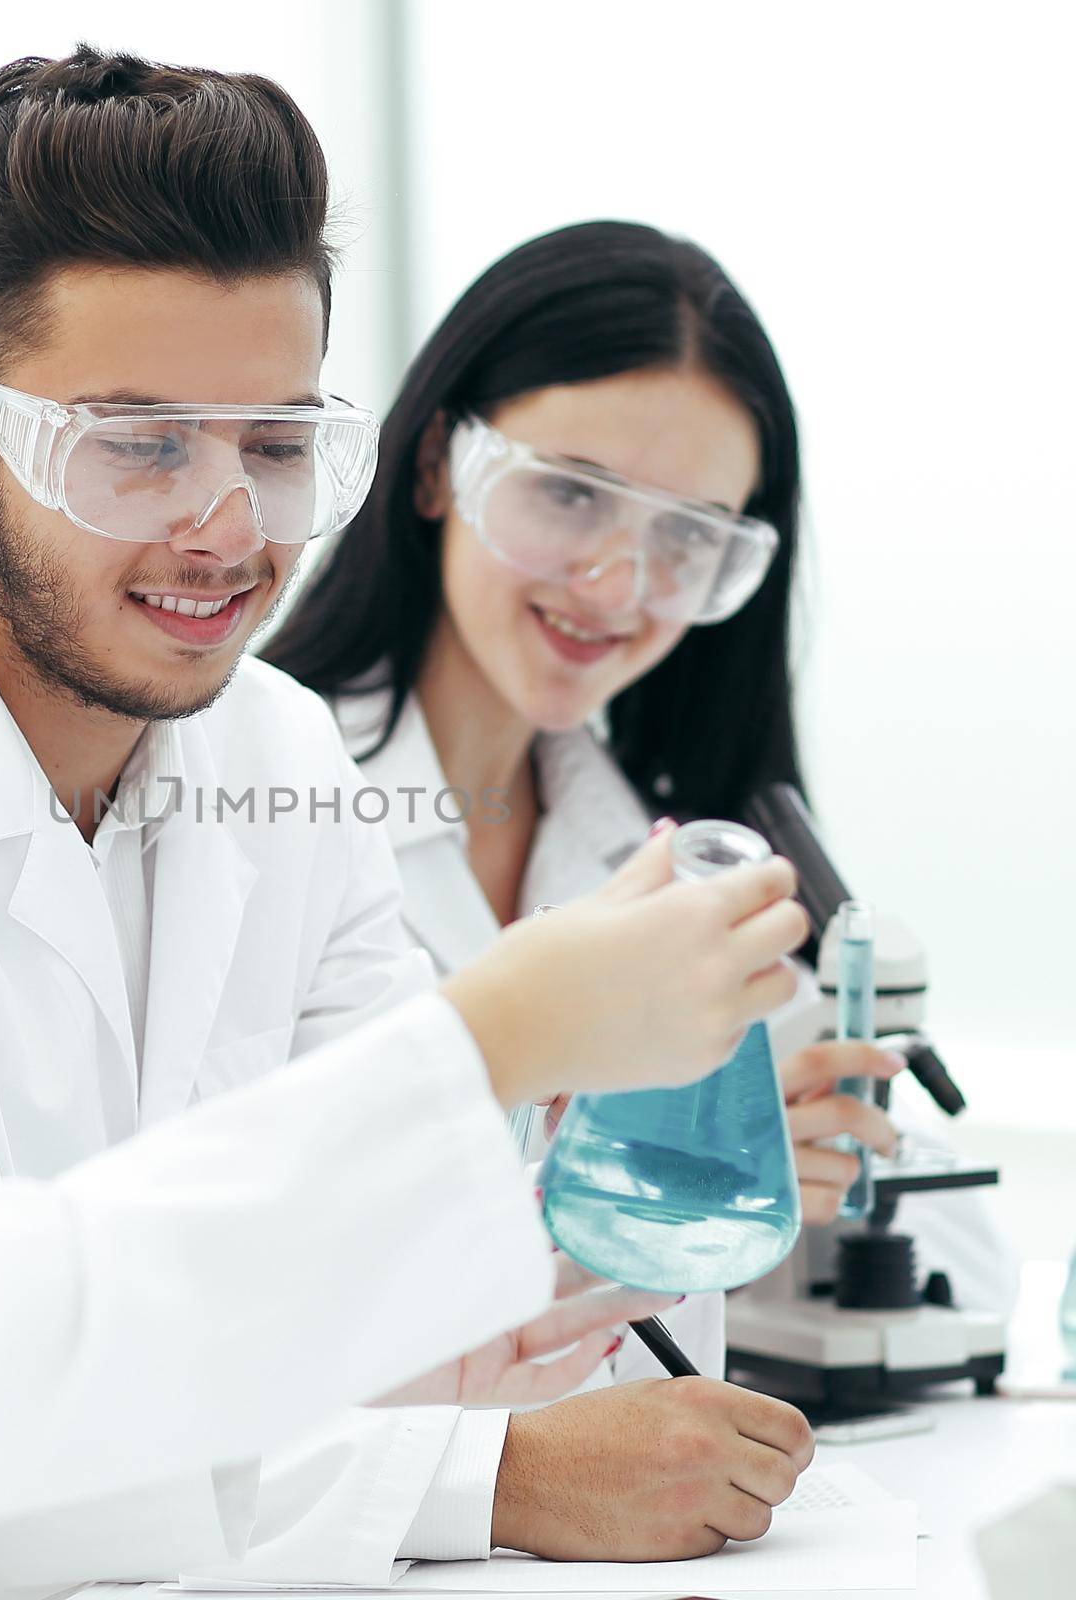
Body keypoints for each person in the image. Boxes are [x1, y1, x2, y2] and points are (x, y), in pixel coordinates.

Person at [0, 83, 803, 1600]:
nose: (228, 528)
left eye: (276, 445)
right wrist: (476, 1441)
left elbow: (420, 1308)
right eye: (140, 449)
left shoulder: (278, 762)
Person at [268, 219, 1013, 1561]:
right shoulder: (261, 795)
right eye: (570, 494)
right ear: (438, 463)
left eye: (689, 538)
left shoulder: (668, 845)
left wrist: (788, 1184)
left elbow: (966, 1248)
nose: (619, 583)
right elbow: (225, 1294)